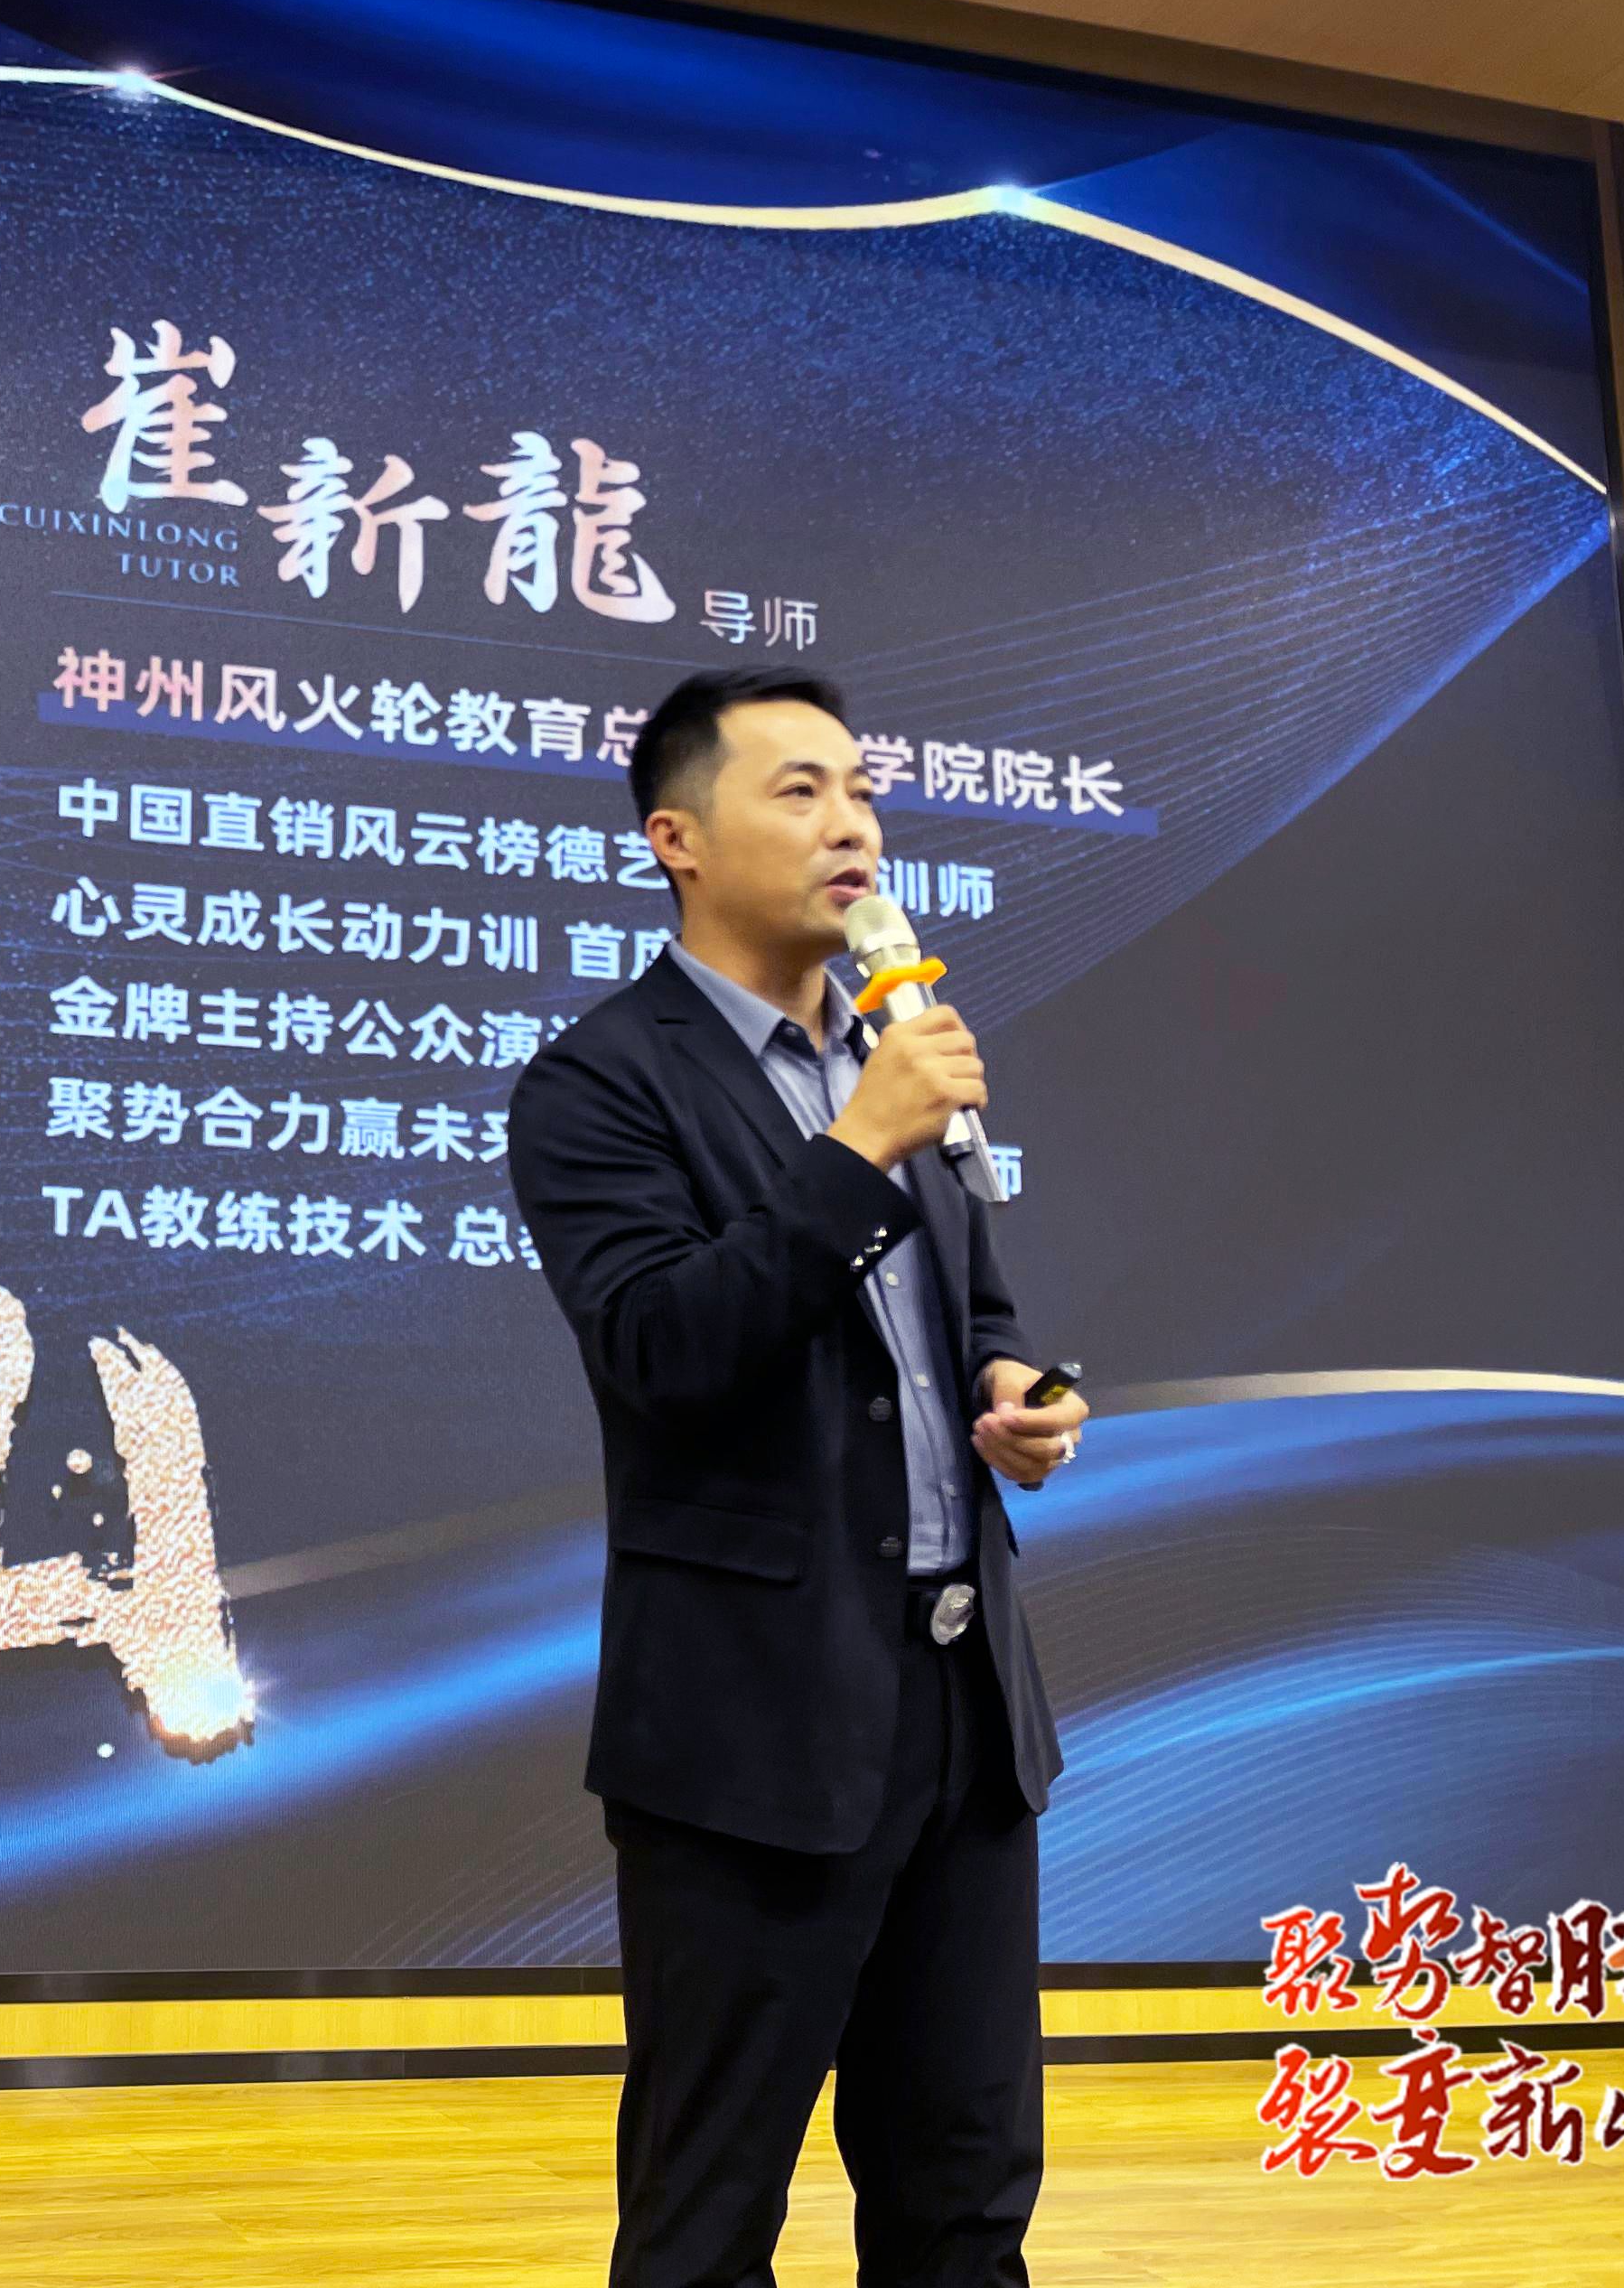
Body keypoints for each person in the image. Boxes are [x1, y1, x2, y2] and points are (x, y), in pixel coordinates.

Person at [507, 666, 1087, 2288]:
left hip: (966, 1712)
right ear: (677, 839)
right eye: (802, 791)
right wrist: (855, 1149)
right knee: (708, 2219)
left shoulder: (899, 1055)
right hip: (754, 1729)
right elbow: (663, 1350)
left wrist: (1016, 1390)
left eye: (863, 791)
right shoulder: (600, 1081)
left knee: (966, 2202)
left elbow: (975, 1310)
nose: (855, 827)